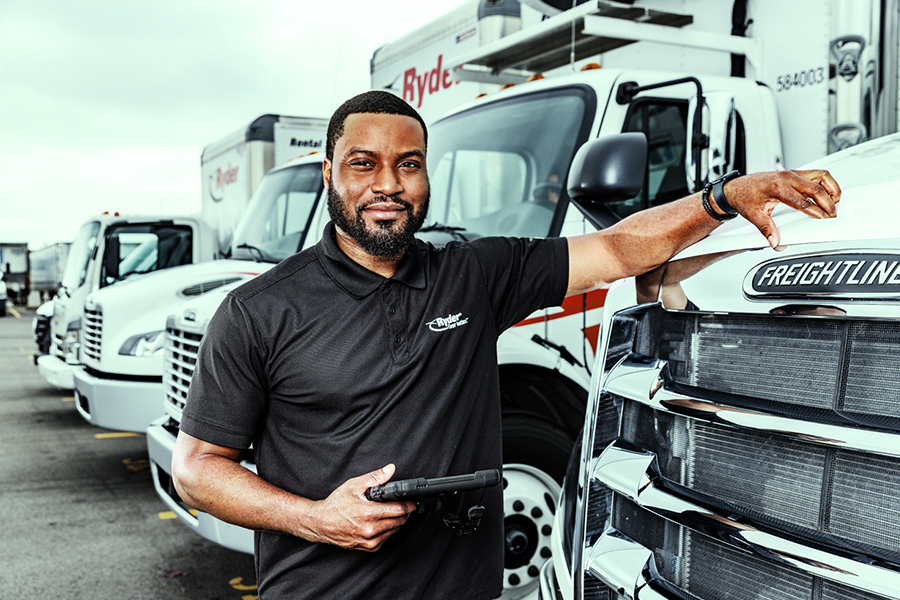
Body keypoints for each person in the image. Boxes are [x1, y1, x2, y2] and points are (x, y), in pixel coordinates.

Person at [171, 90, 840, 599]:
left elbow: (615, 247)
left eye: (408, 165)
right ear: (328, 174)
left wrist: (723, 197)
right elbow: (197, 468)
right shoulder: (258, 310)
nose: (387, 186)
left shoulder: (473, 274)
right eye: (362, 164)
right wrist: (319, 519)